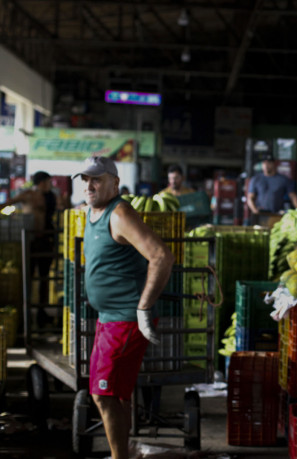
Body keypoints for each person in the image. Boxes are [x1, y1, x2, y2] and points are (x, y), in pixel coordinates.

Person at [74, 156, 174, 459]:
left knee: (102, 394)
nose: (90, 185)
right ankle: (124, 452)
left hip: (125, 319)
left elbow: (161, 256)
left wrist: (143, 307)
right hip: (108, 318)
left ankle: (120, 457)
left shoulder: (119, 214)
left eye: (98, 179)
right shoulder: (93, 213)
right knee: (116, 393)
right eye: (86, 179)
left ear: (115, 183)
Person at [2, 171, 59, 326]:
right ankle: (24, 316)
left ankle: (42, 313)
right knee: (28, 277)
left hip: (46, 240)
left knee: (45, 277)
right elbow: (7, 203)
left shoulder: (51, 197)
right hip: (30, 241)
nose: (50, 185)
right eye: (48, 182)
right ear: (41, 182)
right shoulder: (27, 195)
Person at [247, 154, 297, 223]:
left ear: (274, 164)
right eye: (264, 163)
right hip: (260, 214)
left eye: (269, 163)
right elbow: (250, 198)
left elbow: (293, 196)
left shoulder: (283, 179)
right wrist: (255, 210)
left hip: (277, 215)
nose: (266, 165)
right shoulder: (256, 179)